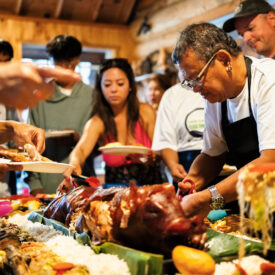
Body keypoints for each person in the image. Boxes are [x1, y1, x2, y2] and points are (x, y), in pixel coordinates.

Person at [171, 22, 275, 218]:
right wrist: (192, 182)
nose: (195, 89)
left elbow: (270, 163)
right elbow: (213, 154)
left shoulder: (269, 81)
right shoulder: (217, 96)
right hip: (258, 207)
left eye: (197, 79)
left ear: (223, 59)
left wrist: (208, 199)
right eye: (189, 83)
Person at [60, 58, 166, 192]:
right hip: (115, 192)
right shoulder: (98, 121)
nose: (113, 90)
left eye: (120, 84)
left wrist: (151, 157)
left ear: (130, 86)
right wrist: (74, 163)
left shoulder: (145, 112)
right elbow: (80, 150)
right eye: (107, 84)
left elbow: (162, 149)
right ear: (100, 88)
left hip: (151, 189)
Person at [26, 35, 94, 195]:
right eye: (57, 63)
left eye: (67, 63)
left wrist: (80, 139)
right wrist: (34, 184)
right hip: (46, 185)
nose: (62, 69)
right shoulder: (40, 96)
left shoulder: (92, 97)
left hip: (82, 184)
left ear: (77, 60)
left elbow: (101, 145)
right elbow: (28, 143)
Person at [152, 82, 204, 186]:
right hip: (186, 170)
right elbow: (166, 142)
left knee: (218, 200)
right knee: (190, 201)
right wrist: (173, 166)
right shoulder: (171, 95)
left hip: (226, 169)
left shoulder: (220, 90)